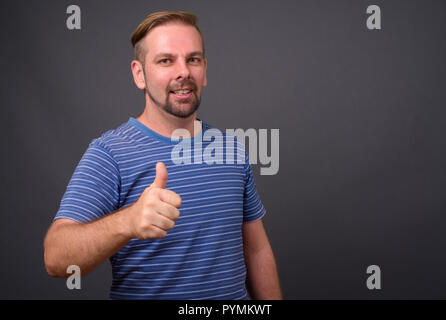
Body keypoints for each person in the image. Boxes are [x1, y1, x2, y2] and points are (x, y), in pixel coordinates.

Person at [44, 10, 282, 300]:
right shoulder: (110, 153)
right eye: (166, 60)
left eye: (193, 59)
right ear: (139, 74)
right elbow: (56, 258)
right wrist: (128, 222)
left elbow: (256, 250)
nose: (183, 72)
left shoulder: (231, 149)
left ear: (204, 70)